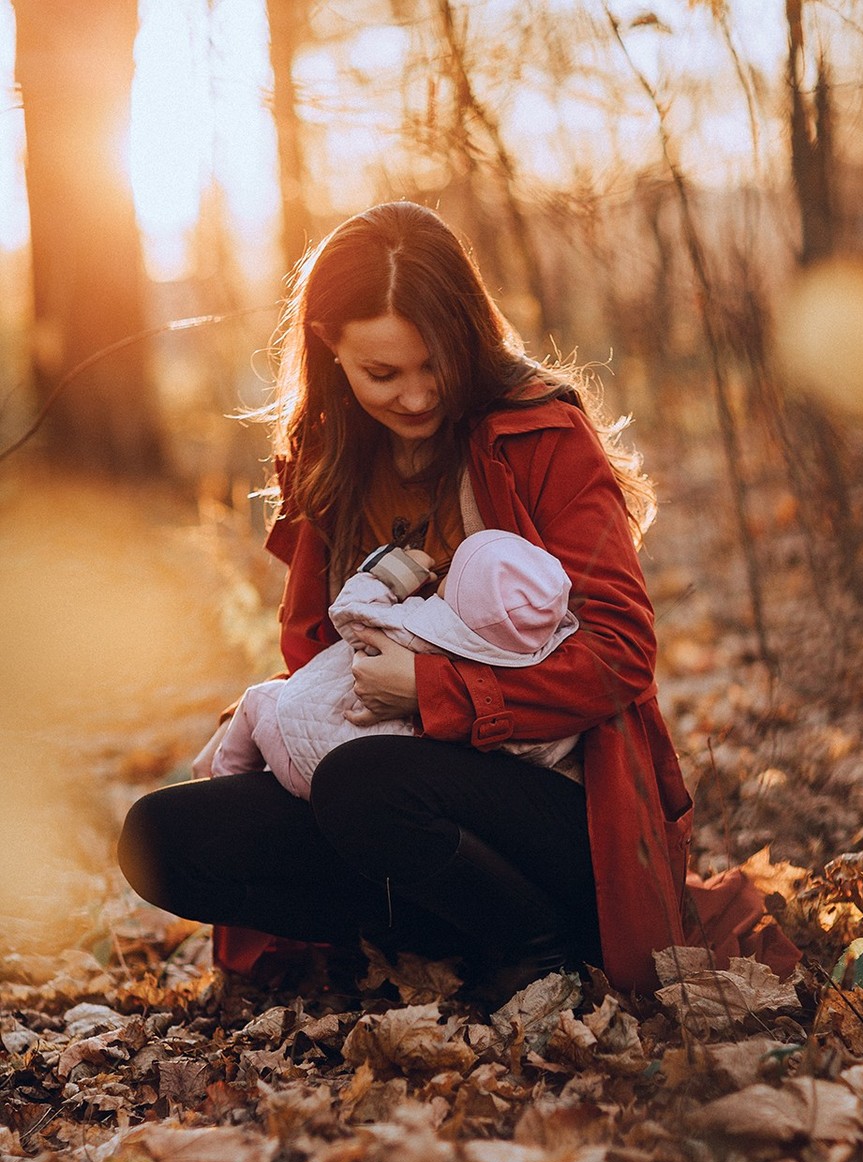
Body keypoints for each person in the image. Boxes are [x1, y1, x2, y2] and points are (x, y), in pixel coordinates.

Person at [119, 199, 771, 1009]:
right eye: (383, 374)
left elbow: (619, 654)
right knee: (162, 836)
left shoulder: (538, 433)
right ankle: (417, 939)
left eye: (435, 364)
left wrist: (436, 694)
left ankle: (541, 947)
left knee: (368, 783)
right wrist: (275, 714)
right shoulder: (329, 457)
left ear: (468, 335)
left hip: (553, 803)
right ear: (331, 349)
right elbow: (325, 651)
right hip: (390, 785)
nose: (418, 396)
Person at [210, 529, 581, 798]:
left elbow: (350, 613)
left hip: (314, 758)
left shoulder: (417, 628)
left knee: (260, 701)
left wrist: (395, 570)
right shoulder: (532, 658)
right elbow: (539, 747)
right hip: (383, 786)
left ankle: (223, 788)